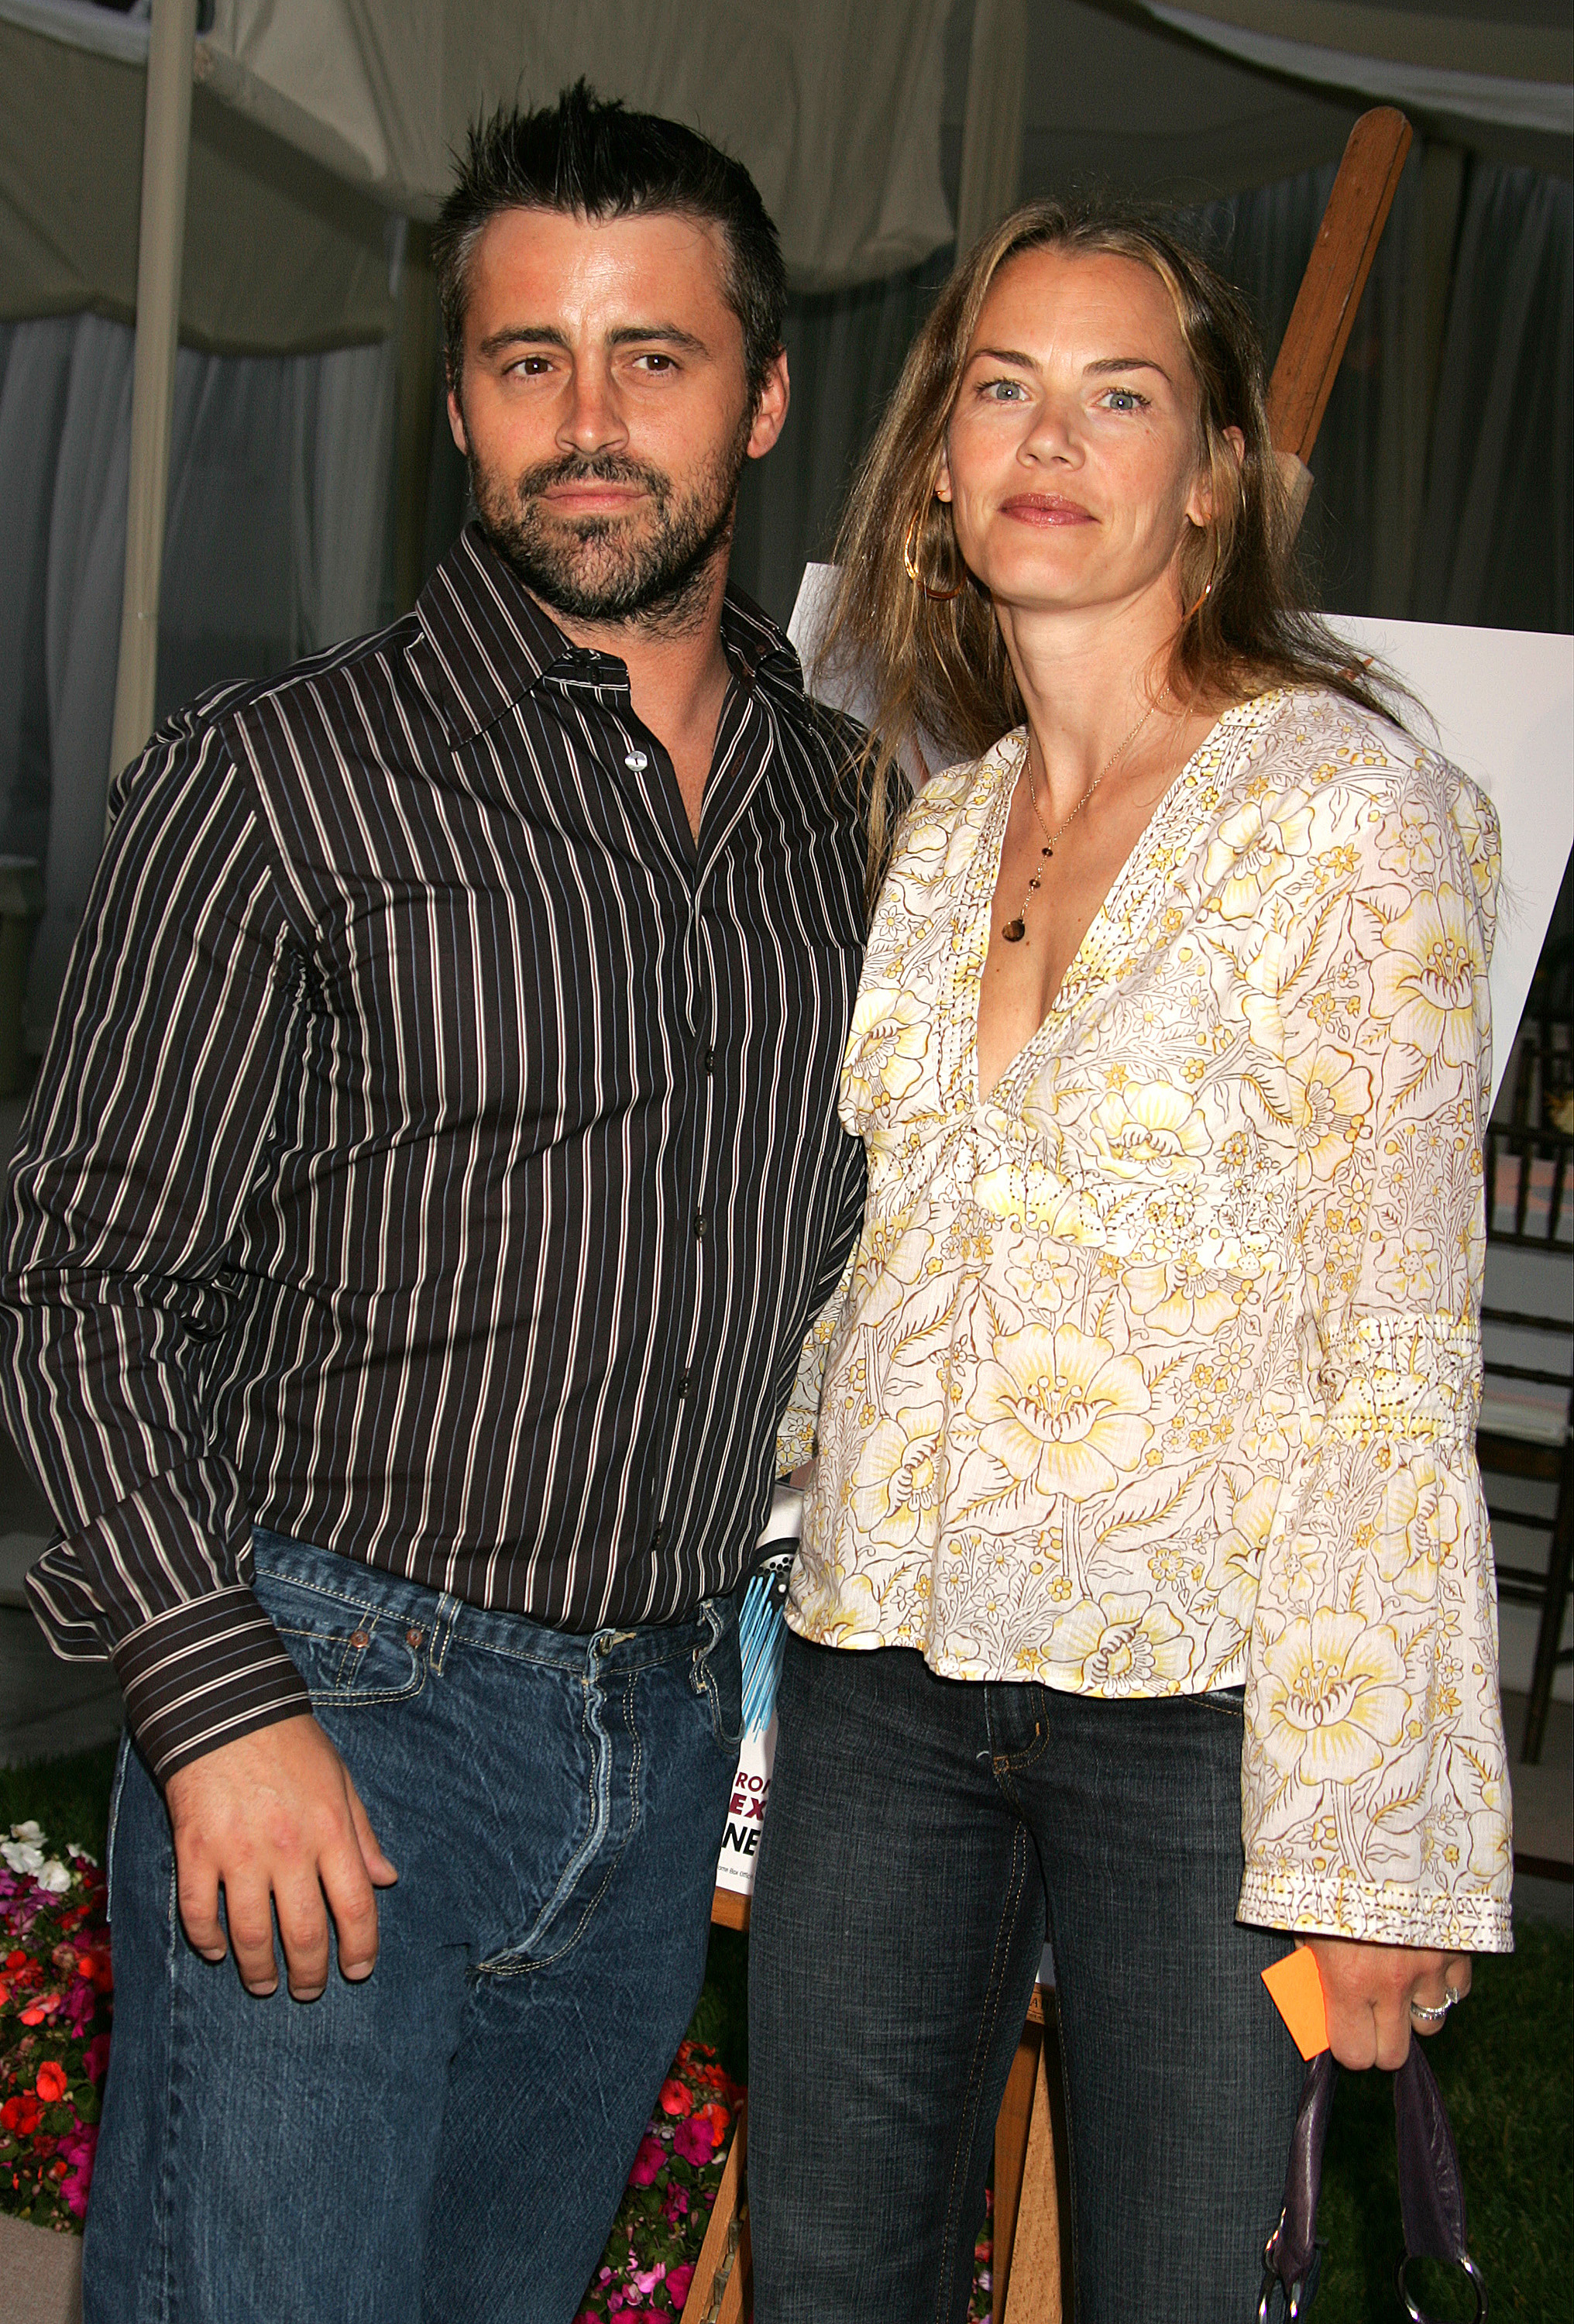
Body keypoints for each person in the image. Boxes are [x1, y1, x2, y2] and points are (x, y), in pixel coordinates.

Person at [0, 84, 873, 2324]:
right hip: (338, 1706)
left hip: (662, 1743)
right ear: (457, 403)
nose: (588, 420)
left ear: (760, 397)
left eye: (652, 358)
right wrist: (217, 1708)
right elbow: (77, 1294)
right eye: (524, 361)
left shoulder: (857, 822)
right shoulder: (274, 782)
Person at [747, 201, 1511, 2323]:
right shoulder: (936, 832)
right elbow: (887, 1270)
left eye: (1118, 394)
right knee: (825, 2278)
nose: (1047, 438)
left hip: (1201, 1719)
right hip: (884, 1675)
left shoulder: (1346, 819)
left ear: (1219, 474)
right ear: (936, 456)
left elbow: (1389, 1359)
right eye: (1001, 386)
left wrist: (1378, 1844)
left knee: (1184, 2290)